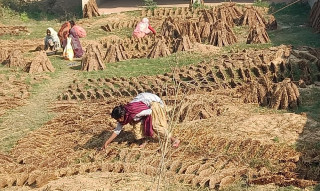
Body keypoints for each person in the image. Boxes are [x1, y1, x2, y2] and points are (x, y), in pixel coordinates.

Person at [102, 92, 180, 149]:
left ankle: (174, 140)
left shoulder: (134, 113)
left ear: (122, 116)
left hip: (154, 103)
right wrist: (107, 142)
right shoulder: (125, 114)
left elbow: (149, 112)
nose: (118, 121)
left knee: (156, 125)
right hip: (144, 103)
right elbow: (117, 130)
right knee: (136, 123)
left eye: (118, 119)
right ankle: (144, 140)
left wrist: (149, 123)